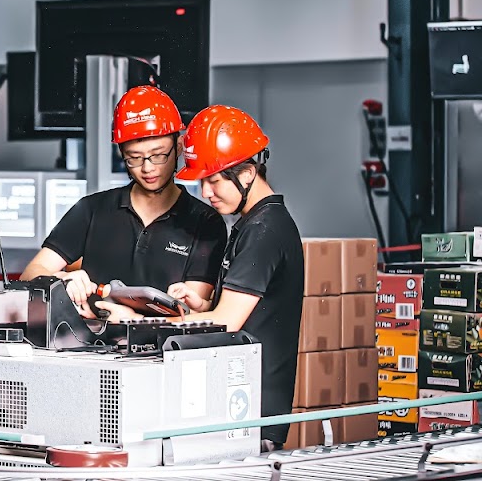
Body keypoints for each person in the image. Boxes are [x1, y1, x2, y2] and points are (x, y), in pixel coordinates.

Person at [95, 105, 304, 452]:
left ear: (248, 173)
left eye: (214, 179)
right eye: (202, 181)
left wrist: (135, 322)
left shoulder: (266, 230)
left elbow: (227, 323)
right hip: (239, 404)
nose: (206, 192)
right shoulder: (253, 225)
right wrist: (198, 306)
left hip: (250, 414)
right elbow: (243, 312)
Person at [19, 86, 227, 316]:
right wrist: (59, 279)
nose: (148, 168)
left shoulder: (205, 223)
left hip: (163, 349)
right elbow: (30, 273)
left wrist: (132, 321)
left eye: (158, 155)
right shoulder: (91, 209)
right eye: (134, 159)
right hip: (86, 346)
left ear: (178, 147)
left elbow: (190, 311)